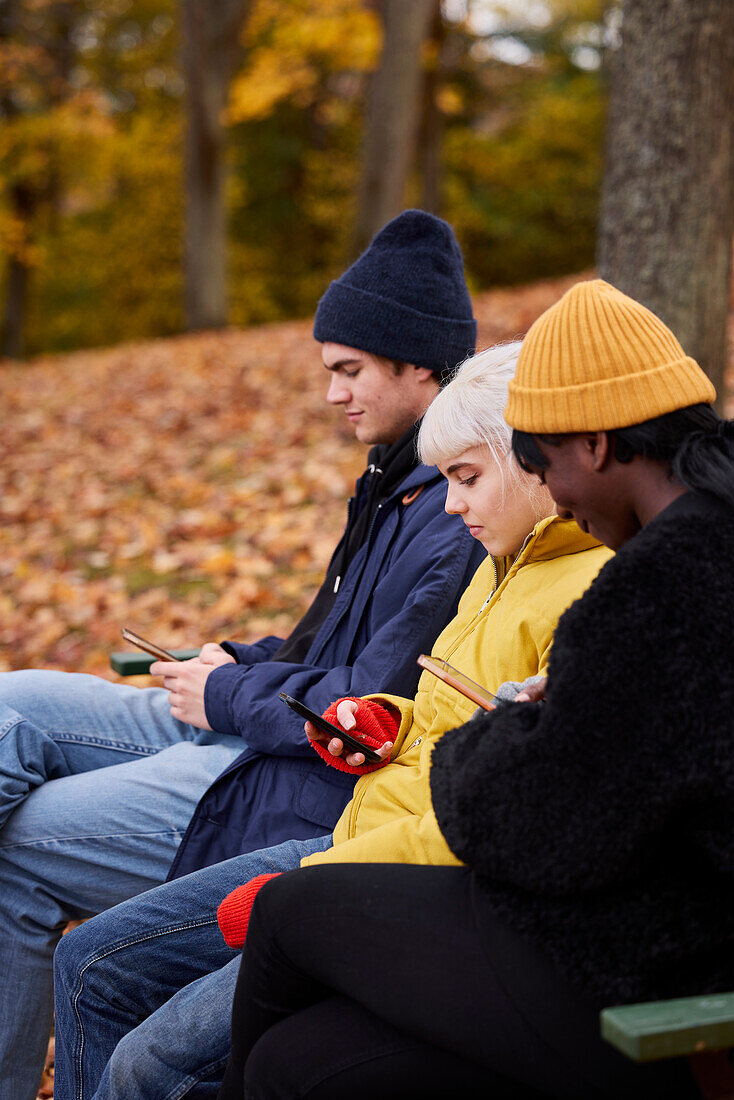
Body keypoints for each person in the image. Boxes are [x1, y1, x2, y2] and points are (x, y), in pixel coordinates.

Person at [0, 210, 486, 1100]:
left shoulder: (459, 510)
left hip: (292, 773)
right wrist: (226, 659)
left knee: (21, 848)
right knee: (12, 704)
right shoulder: (392, 482)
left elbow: (363, 703)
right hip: (248, 720)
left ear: (420, 365)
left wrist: (229, 692)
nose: (332, 394)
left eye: (349, 371)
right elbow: (320, 646)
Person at [216, 279, 734, 1100]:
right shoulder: (696, 544)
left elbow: (538, 829)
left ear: (593, 444)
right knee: (295, 1065)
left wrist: (493, 738)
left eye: (540, 465)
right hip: (651, 924)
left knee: (286, 915)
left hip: (655, 964)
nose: (553, 497)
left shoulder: (658, 588)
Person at [52, 341, 612, 1100]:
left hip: (394, 881)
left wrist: (310, 888)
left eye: (468, 479)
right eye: (445, 481)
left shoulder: (589, 591)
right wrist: (386, 721)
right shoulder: (498, 562)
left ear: (532, 459)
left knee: (149, 1064)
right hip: (354, 836)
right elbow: (446, 712)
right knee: (92, 962)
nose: (453, 505)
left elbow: (508, 802)